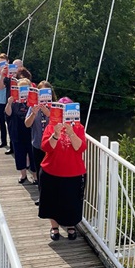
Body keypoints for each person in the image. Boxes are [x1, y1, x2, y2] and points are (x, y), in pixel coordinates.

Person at [38, 97, 87, 241]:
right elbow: (46, 147)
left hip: (73, 172)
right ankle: (54, 227)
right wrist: (56, 134)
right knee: (51, 201)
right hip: (51, 171)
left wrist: (71, 132)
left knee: (72, 202)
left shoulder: (79, 128)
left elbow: (80, 148)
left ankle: (71, 226)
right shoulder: (50, 127)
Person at [24, 81, 57, 206]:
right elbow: (27, 124)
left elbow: (60, 124)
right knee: (40, 173)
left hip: (52, 146)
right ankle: (42, 197)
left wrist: (49, 113)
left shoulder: (56, 107)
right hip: (37, 144)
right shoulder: (33, 107)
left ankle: (54, 198)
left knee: (53, 173)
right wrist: (33, 113)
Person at [5, 78, 38, 184]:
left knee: (32, 154)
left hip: (30, 132)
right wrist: (9, 103)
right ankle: (23, 175)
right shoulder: (14, 100)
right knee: (19, 154)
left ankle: (35, 176)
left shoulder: (32, 102)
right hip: (16, 130)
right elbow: (8, 113)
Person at [0, 53, 11, 151]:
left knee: (9, 122)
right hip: (0, 100)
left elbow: (4, 86)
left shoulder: (11, 73)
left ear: (8, 62)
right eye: (0, 62)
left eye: (4, 62)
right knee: (1, 122)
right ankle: (3, 141)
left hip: (8, 101)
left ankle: (11, 144)